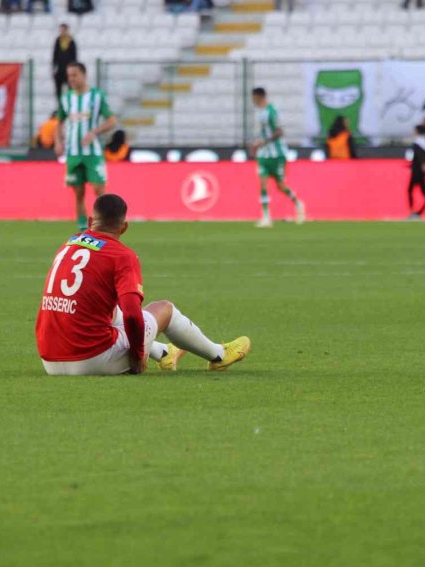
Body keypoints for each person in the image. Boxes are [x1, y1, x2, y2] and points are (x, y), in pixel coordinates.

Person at [35, 193, 251, 376]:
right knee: (164, 309)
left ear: (91, 220)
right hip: (91, 361)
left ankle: (165, 354)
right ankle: (219, 355)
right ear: (124, 227)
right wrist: (138, 357)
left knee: (113, 312)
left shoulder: (69, 244)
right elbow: (132, 314)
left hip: (49, 360)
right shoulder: (122, 255)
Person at [55, 62, 117, 232]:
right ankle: (83, 226)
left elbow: (111, 120)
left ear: (84, 75)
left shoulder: (96, 96)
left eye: (74, 75)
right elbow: (59, 122)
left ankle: (106, 224)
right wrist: (58, 142)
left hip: (92, 152)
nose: (71, 79)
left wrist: (94, 132)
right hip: (73, 153)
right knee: (78, 191)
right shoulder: (67, 98)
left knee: (99, 188)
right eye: (69, 76)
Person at [249, 87, 305, 228]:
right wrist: (257, 144)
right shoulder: (260, 113)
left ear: (259, 97)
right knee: (262, 182)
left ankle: (298, 203)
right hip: (264, 155)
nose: (252, 100)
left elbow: (279, 132)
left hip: (277, 154)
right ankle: (266, 217)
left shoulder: (271, 111)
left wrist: (263, 142)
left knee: (280, 186)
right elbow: (263, 133)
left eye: (254, 97)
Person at [407, 124, 425, 219]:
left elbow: (418, 156)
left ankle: (413, 212)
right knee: (424, 191)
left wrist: (420, 164)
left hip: (417, 170)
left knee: (412, 190)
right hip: (422, 170)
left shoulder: (418, 142)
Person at [52, 24, 78, 105]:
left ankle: (71, 104)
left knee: (71, 87)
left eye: (63, 30)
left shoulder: (71, 41)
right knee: (58, 89)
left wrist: (73, 68)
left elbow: (74, 56)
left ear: (67, 30)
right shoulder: (58, 41)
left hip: (68, 69)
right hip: (60, 69)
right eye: (61, 30)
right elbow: (54, 55)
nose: (62, 32)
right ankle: (60, 105)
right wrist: (54, 67)